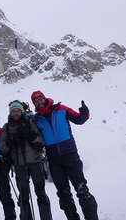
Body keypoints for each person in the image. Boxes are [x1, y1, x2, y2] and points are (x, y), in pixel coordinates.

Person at [30, 90, 98, 220]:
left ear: (44, 99)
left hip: (70, 155)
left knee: (82, 189)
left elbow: (78, 119)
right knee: (63, 194)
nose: (39, 102)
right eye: (36, 101)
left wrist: (85, 113)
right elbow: (36, 138)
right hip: (54, 160)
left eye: (40, 99)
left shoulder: (61, 109)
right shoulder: (36, 120)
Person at [0, 100, 53, 220]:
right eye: (13, 111)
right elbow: (2, 146)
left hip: (34, 162)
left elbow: (41, 141)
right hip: (19, 165)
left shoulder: (29, 123)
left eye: (18, 110)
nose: (16, 113)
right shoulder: (7, 128)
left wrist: (28, 134)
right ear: (10, 112)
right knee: (23, 196)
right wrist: (11, 140)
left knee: (41, 193)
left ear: (21, 111)